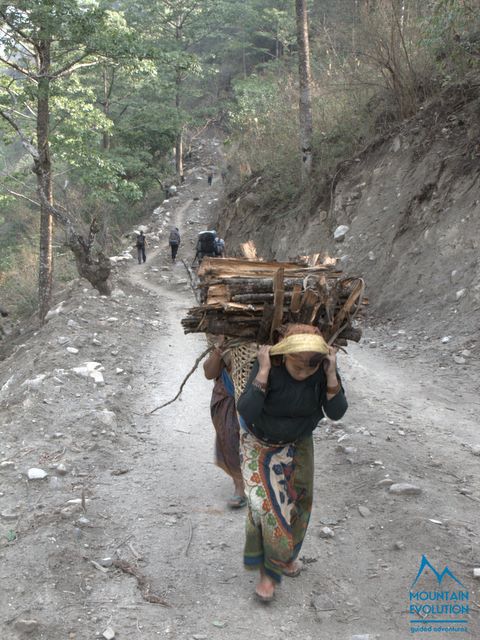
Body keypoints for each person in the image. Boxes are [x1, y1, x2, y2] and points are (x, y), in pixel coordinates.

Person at [236, 324, 348, 602]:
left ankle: (287, 558)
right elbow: (246, 410)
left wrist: (331, 374)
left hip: (298, 441)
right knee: (268, 508)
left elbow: (336, 412)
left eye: (309, 369)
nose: (302, 374)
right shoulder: (268, 366)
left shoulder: (323, 370)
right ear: (283, 355)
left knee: (299, 501)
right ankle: (267, 575)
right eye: (296, 367)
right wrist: (262, 372)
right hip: (259, 442)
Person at [203, 336, 246, 509]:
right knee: (229, 437)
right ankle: (240, 486)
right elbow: (209, 373)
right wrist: (219, 350)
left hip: (258, 390)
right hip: (228, 394)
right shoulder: (224, 339)